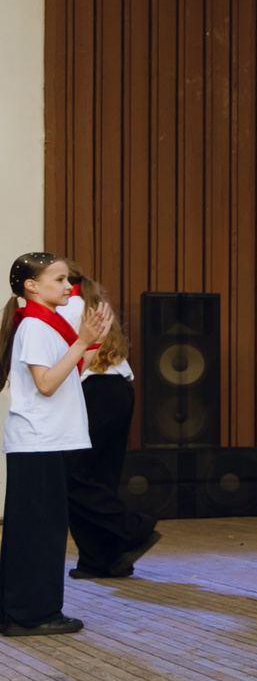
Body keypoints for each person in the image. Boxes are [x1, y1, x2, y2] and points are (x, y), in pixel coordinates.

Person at [3, 255, 118, 634]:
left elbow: (64, 373)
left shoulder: (44, 326)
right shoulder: (35, 325)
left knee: (41, 531)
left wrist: (91, 343)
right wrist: (83, 342)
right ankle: (31, 615)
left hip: (44, 440)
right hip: (37, 440)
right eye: (59, 279)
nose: (70, 287)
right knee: (38, 533)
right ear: (32, 286)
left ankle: (23, 611)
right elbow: (47, 384)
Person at [56, 273, 158, 582]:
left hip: (92, 391)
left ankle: (133, 529)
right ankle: (104, 559)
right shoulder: (95, 305)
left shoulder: (67, 308)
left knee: (70, 477)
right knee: (99, 478)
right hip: (118, 389)